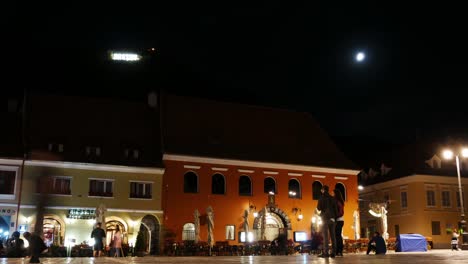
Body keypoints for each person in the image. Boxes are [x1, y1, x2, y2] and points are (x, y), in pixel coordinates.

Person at [317, 185, 338, 258]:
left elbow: (319, 208)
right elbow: (336, 209)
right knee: (333, 236)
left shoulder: (321, 198)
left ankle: (326, 253)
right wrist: (335, 218)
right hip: (332, 219)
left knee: (325, 236)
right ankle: (334, 252)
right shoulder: (333, 198)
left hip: (325, 218)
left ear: (323, 190)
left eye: (321, 190)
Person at [333, 188, 345, 257]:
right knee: (338, 236)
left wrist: (335, 216)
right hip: (340, 220)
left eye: (333, 193)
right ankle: (339, 251)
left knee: (337, 236)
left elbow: (341, 212)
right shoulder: (339, 201)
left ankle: (339, 251)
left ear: (335, 194)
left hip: (338, 220)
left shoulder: (337, 201)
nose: (332, 194)